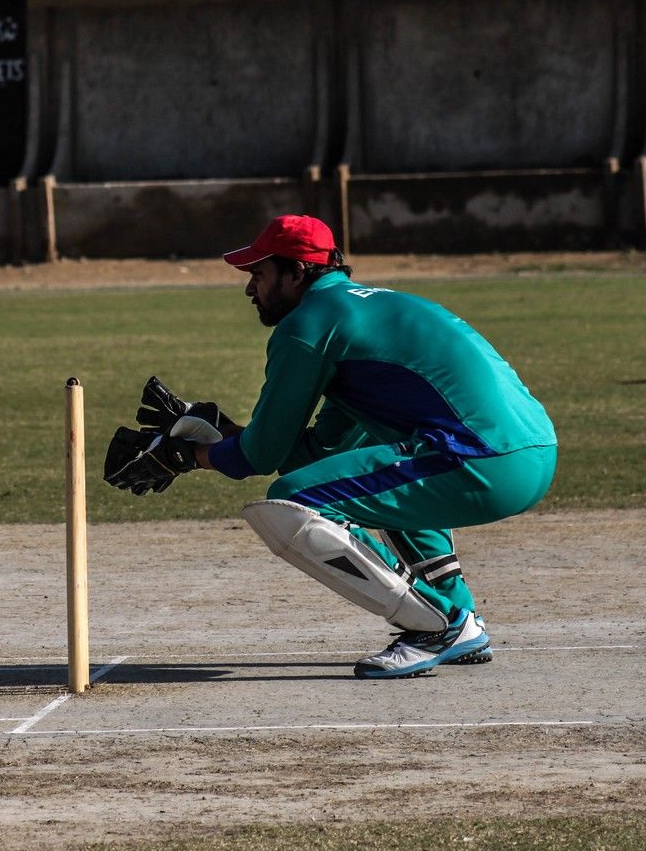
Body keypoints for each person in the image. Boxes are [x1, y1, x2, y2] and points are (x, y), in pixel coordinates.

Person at [103, 214, 556, 680]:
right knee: (360, 480)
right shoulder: (374, 309)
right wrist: (224, 434)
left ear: (296, 272)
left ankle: (438, 625)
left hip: (483, 462)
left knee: (290, 502)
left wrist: (186, 456)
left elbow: (261, 457)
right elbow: (322, 453)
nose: (250, 288)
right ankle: (461, 618)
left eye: (259, 273)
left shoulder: (309, 324)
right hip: (530, 454)